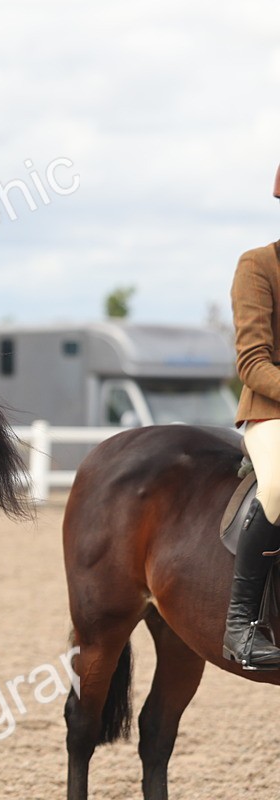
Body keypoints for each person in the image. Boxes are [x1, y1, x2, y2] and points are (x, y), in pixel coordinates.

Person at [227, 162, 280, 670]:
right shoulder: (258, 265)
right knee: (279, 487)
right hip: (271, 411)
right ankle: (241, 625)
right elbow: (252, 362)